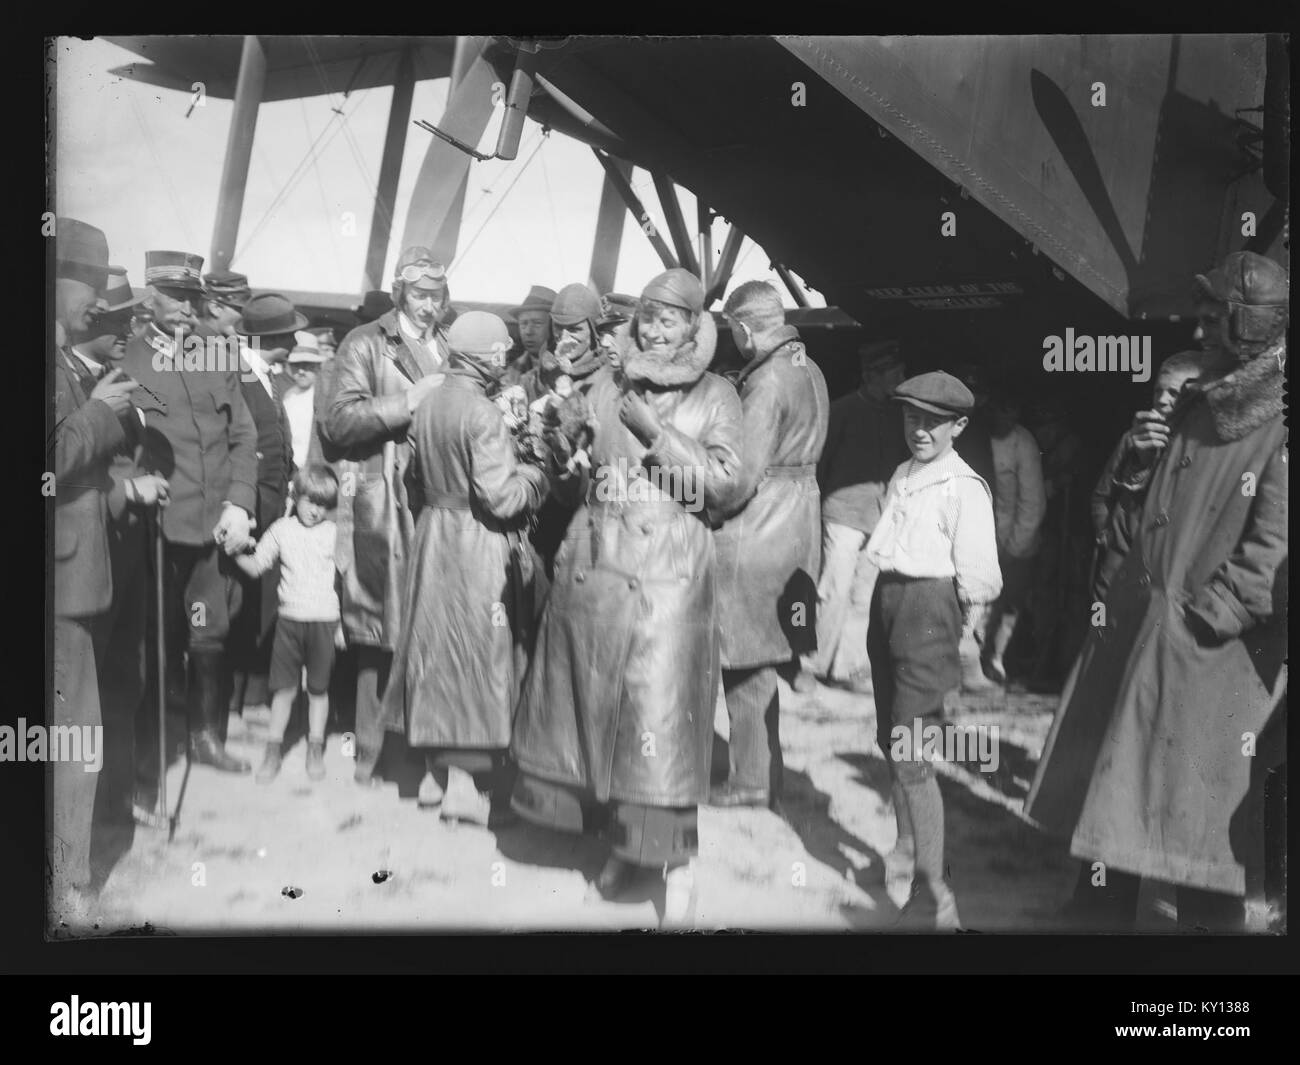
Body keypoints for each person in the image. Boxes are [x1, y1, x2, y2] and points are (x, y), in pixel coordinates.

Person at [1028, 251, 1287, 933]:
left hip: (1206, 661)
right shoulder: (1206, 406)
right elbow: (1140, 519)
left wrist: (1200, 622)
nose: (1199, 328)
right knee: (1127, 820)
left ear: (1245, 323)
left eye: (1212, 316)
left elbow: (1271, 557)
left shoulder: (1279, 424)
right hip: (1149, 638)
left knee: (1199, 849)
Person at [511, 268, 743, 925]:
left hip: (667, 582)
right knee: (603, 719)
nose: (654, 329)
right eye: (647, 316)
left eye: (670, 319)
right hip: (598, 569)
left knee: (659, 726)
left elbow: (723, 489)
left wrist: (658, 434)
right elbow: (572, 488)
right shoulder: (607, 383)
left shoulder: (717, 394)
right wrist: (559, 447)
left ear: (695, 326)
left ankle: (674, 868)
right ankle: (625, 849)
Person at [381, 312, 550, 824]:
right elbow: (500, 499)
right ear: (491, 358)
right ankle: (464, 788)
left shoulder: (428, 402)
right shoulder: (482, 414)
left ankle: (434, 775)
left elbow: (406, 475)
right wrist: (536, 475)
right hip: (476, 542)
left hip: (435, 535)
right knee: (477, 658)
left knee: (435, 651)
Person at [865, 372, 1001, 929]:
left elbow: (979, 578)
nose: (919, 430)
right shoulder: (904, 474)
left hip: (931, 613)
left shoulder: (963, 488)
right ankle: (904, 846)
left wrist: (960, 636)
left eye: (933, 421)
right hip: (889, 605)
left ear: (959, 426)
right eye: (910, 418)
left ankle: (936, 893)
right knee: (891, 738)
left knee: (912, 750)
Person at [118, 249, 259, 778]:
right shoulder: (130, 357)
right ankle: (148, 753)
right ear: (149, 297)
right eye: (175, 297)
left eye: (192, 298)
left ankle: (205, 738)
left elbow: (242, 435)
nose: (185, 307)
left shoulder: (217, 352)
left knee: (209, 634)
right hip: (158, 526)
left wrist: (240, 501)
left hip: (213, 526)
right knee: (157, 639)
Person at [320, 248, 450, 786]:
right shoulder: (366, 342)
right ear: (400, 293)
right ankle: (370, 754)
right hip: (383, 504)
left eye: (436, 295)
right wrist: (406, 404)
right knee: (378, 631)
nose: (428, 305)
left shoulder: (449, 343)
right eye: (419, 295)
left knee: (433, 631)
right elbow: (337, 422)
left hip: (440, 502)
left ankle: (421, 755)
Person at [50, 219, 145, 920]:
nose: (96, 302)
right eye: (86, 281)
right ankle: (66, 884)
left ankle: (68, 872)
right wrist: (99, 412)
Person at [712, 281, 828, 809]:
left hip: (760, 528)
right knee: (766, 655)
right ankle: (764, 775)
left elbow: (738, 478)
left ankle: (750, 782)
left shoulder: (767, 381)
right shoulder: (810, 367)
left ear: (741, 327)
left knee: (744, 660)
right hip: (799, 520)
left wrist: (702, 505)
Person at [209, 280, 303, 721]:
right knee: (232, 602)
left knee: (257, 599)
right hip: (244, 505)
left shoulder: (270, 376)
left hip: (269, 504)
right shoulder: (235, 371)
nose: (296, 342)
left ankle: (248, 697)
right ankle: (225, 701)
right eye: (288, 336)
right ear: (270, 340)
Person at [795, 341, 908, 693]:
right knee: (832, 591)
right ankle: (810, 667)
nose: (901, 379)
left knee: (863, 596)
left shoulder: (896, 415)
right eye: (895, 373)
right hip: (842, 514)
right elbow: (819, 465)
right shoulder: (841, 410)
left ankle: (847, 668)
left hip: (879, 516)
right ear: (873, 375)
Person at [229, 466, 341, 783]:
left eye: (323, 504)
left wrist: (343, 625)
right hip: (289, 622)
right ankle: (273, 750)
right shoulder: (282, 530)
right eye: (310, 501)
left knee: (318, 690)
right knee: (284, 691)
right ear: (296, 496)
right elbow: (255, 565)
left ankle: (315, 748)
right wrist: (234, 550)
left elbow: (346, 581)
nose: (316, 511)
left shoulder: (334, 534)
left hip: (324, 621)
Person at [1088, 351, 1203, 603]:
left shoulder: (1206, 451)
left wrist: (1147, 466)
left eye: (1174, 393)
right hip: (1113, 580)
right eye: (1157, 391)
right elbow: (1101, 497)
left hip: (1164, 589)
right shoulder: (1131, 439)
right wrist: (1107, 538)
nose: (1161, 400)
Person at [518, 282, 606, 578]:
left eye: (575, 331)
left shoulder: (607, 380)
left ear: (595, 331)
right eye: (559, 329)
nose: (565, 338)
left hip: (586, 509)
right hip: (542, 506)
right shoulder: (533, 378)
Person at [981, 385, 1045, 686]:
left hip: (1018, 537)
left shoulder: (1024, 444)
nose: (1005, 417)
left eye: (1012, 412)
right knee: (979, 599)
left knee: (1010, 604)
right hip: (983, 533)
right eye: (999, 410)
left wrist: (1014, 547)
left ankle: (996, 658)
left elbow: (1031, 502)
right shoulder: (978, 437)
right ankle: (974, 658)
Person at [282, 333, 326, 471]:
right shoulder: (287, 396)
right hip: (291, 470)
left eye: (307, 366)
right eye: (296, 366)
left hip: (316, 470)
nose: (301, 371)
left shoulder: (324, 396)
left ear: (318, 366)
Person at [503, 285, 556, 389]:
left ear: (554, 326)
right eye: (523, 323)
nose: (528, 331)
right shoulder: (513, 371)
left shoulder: (567, 367)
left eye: (537, 323)